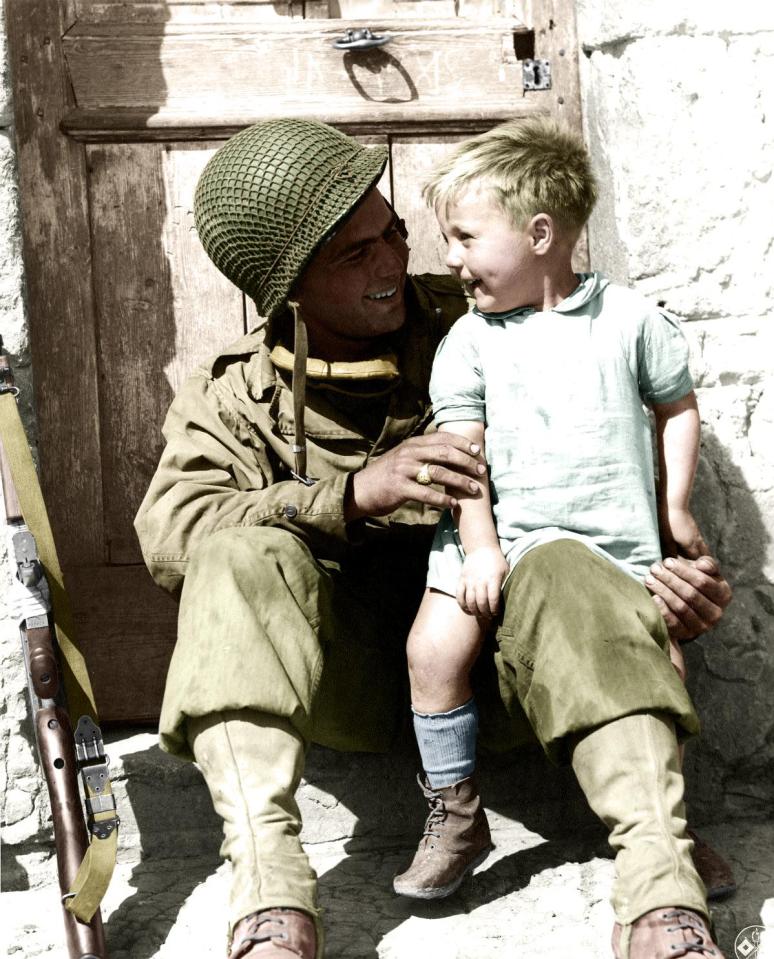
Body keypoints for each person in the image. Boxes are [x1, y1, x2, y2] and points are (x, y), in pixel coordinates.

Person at [134, 118, 733, 959]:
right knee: (237, 551)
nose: (393, 264)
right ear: (286, 288)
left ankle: (659, 882)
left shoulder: (490, 314)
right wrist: (345, 497)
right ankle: (270, 902)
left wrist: (675, 577)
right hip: (344, 680)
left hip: (524, 664)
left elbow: (615, 447)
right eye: (354, 255)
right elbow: (174, 532)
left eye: (393, 233)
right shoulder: (237, 394)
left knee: (564, 557)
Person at [393, 118, 708, 909]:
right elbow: (463, 456)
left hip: (613, 542)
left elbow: (676, 407)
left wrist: (675, 505)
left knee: (660, 663)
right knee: (432, 652)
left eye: (465, 238)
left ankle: (666, 822)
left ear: (540, 233)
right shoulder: (468, 341)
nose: (451, 260)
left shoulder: (631, 321)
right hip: (494, 534)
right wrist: (481, 549)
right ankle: (458, 812)